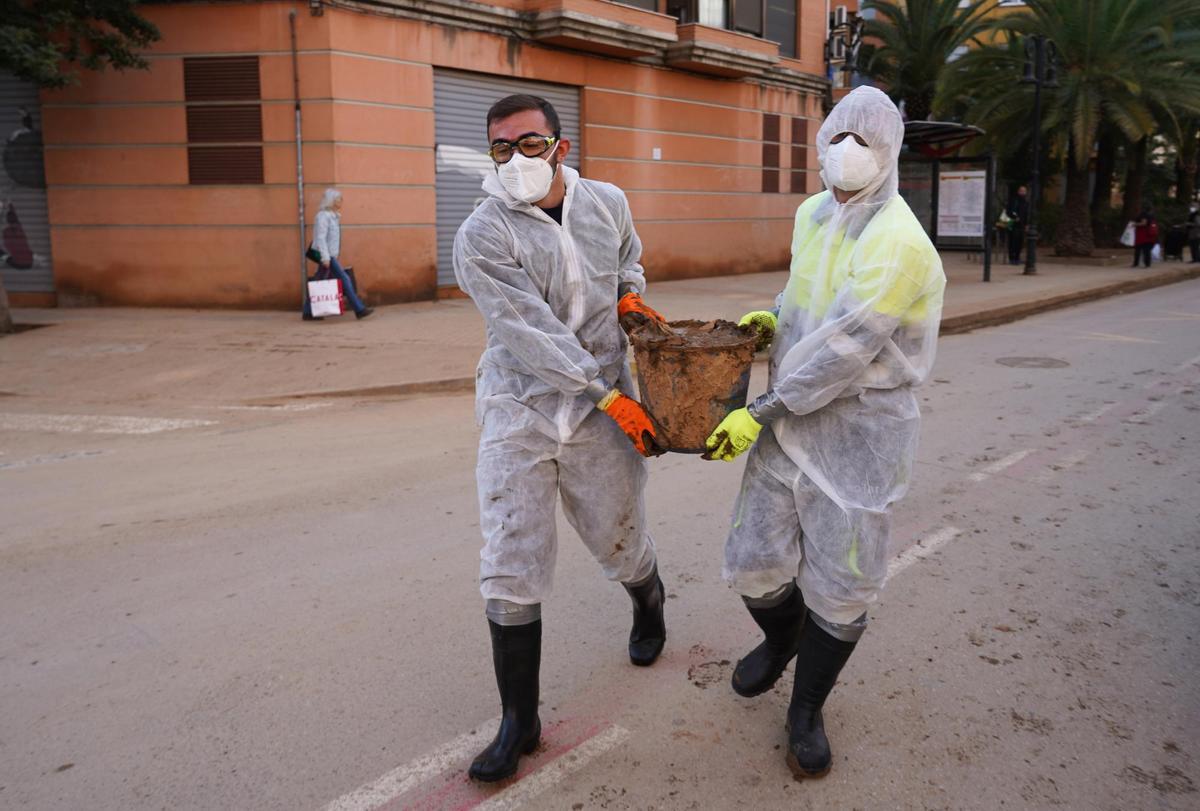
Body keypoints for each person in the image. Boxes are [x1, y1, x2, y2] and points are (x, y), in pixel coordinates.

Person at [703, 86, 946, 780]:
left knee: (844, 584)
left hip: (857, 434)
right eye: (840, 135)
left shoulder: (899, 243)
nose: (848, 151)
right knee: (753, 561)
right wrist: (771, 320)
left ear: (891, 153)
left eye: (865, 142)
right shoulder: (813, 213)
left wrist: (761, 409)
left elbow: (844, 352)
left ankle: (806, 707)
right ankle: (783, 641)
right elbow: (805, 296)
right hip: (787, 419)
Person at [453, 94, 669, 782]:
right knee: (509, 554)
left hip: (602, 412)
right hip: (521, 404)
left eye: (529, 142)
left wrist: (631, 295)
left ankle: (648, 597)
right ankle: (520, 720)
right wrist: (605, 391)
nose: (515, 158)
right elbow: (527, 332)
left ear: (560, 148)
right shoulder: (483, 233)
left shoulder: (606, 202)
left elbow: (628, 259)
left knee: (619, 534)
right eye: (500, 147)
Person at [303, 188, 373, 320]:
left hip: (329, 255)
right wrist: (325, 257)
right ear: (331, 201)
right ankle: (359, 309)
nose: (341, 201)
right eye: (338, 199)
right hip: (324, 254)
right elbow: (320, 238)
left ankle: (307, 312)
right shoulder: (323, 216)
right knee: (345, 279)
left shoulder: (333, 216)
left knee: (319, 280)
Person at [1006, 185, 1029, 265]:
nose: (1023, 192)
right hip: (1014, 224)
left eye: (1024, 191)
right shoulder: (1014, 200)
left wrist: (1026, 224)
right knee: (1013, 241)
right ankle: (1012, 258)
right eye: (1021, 191)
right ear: (1018, 191)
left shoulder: (1025, 202)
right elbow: (1009, 211)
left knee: (1020, 242)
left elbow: (1026, 214)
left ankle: (1017, 257)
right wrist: (1015, 217)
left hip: (1022, 225)